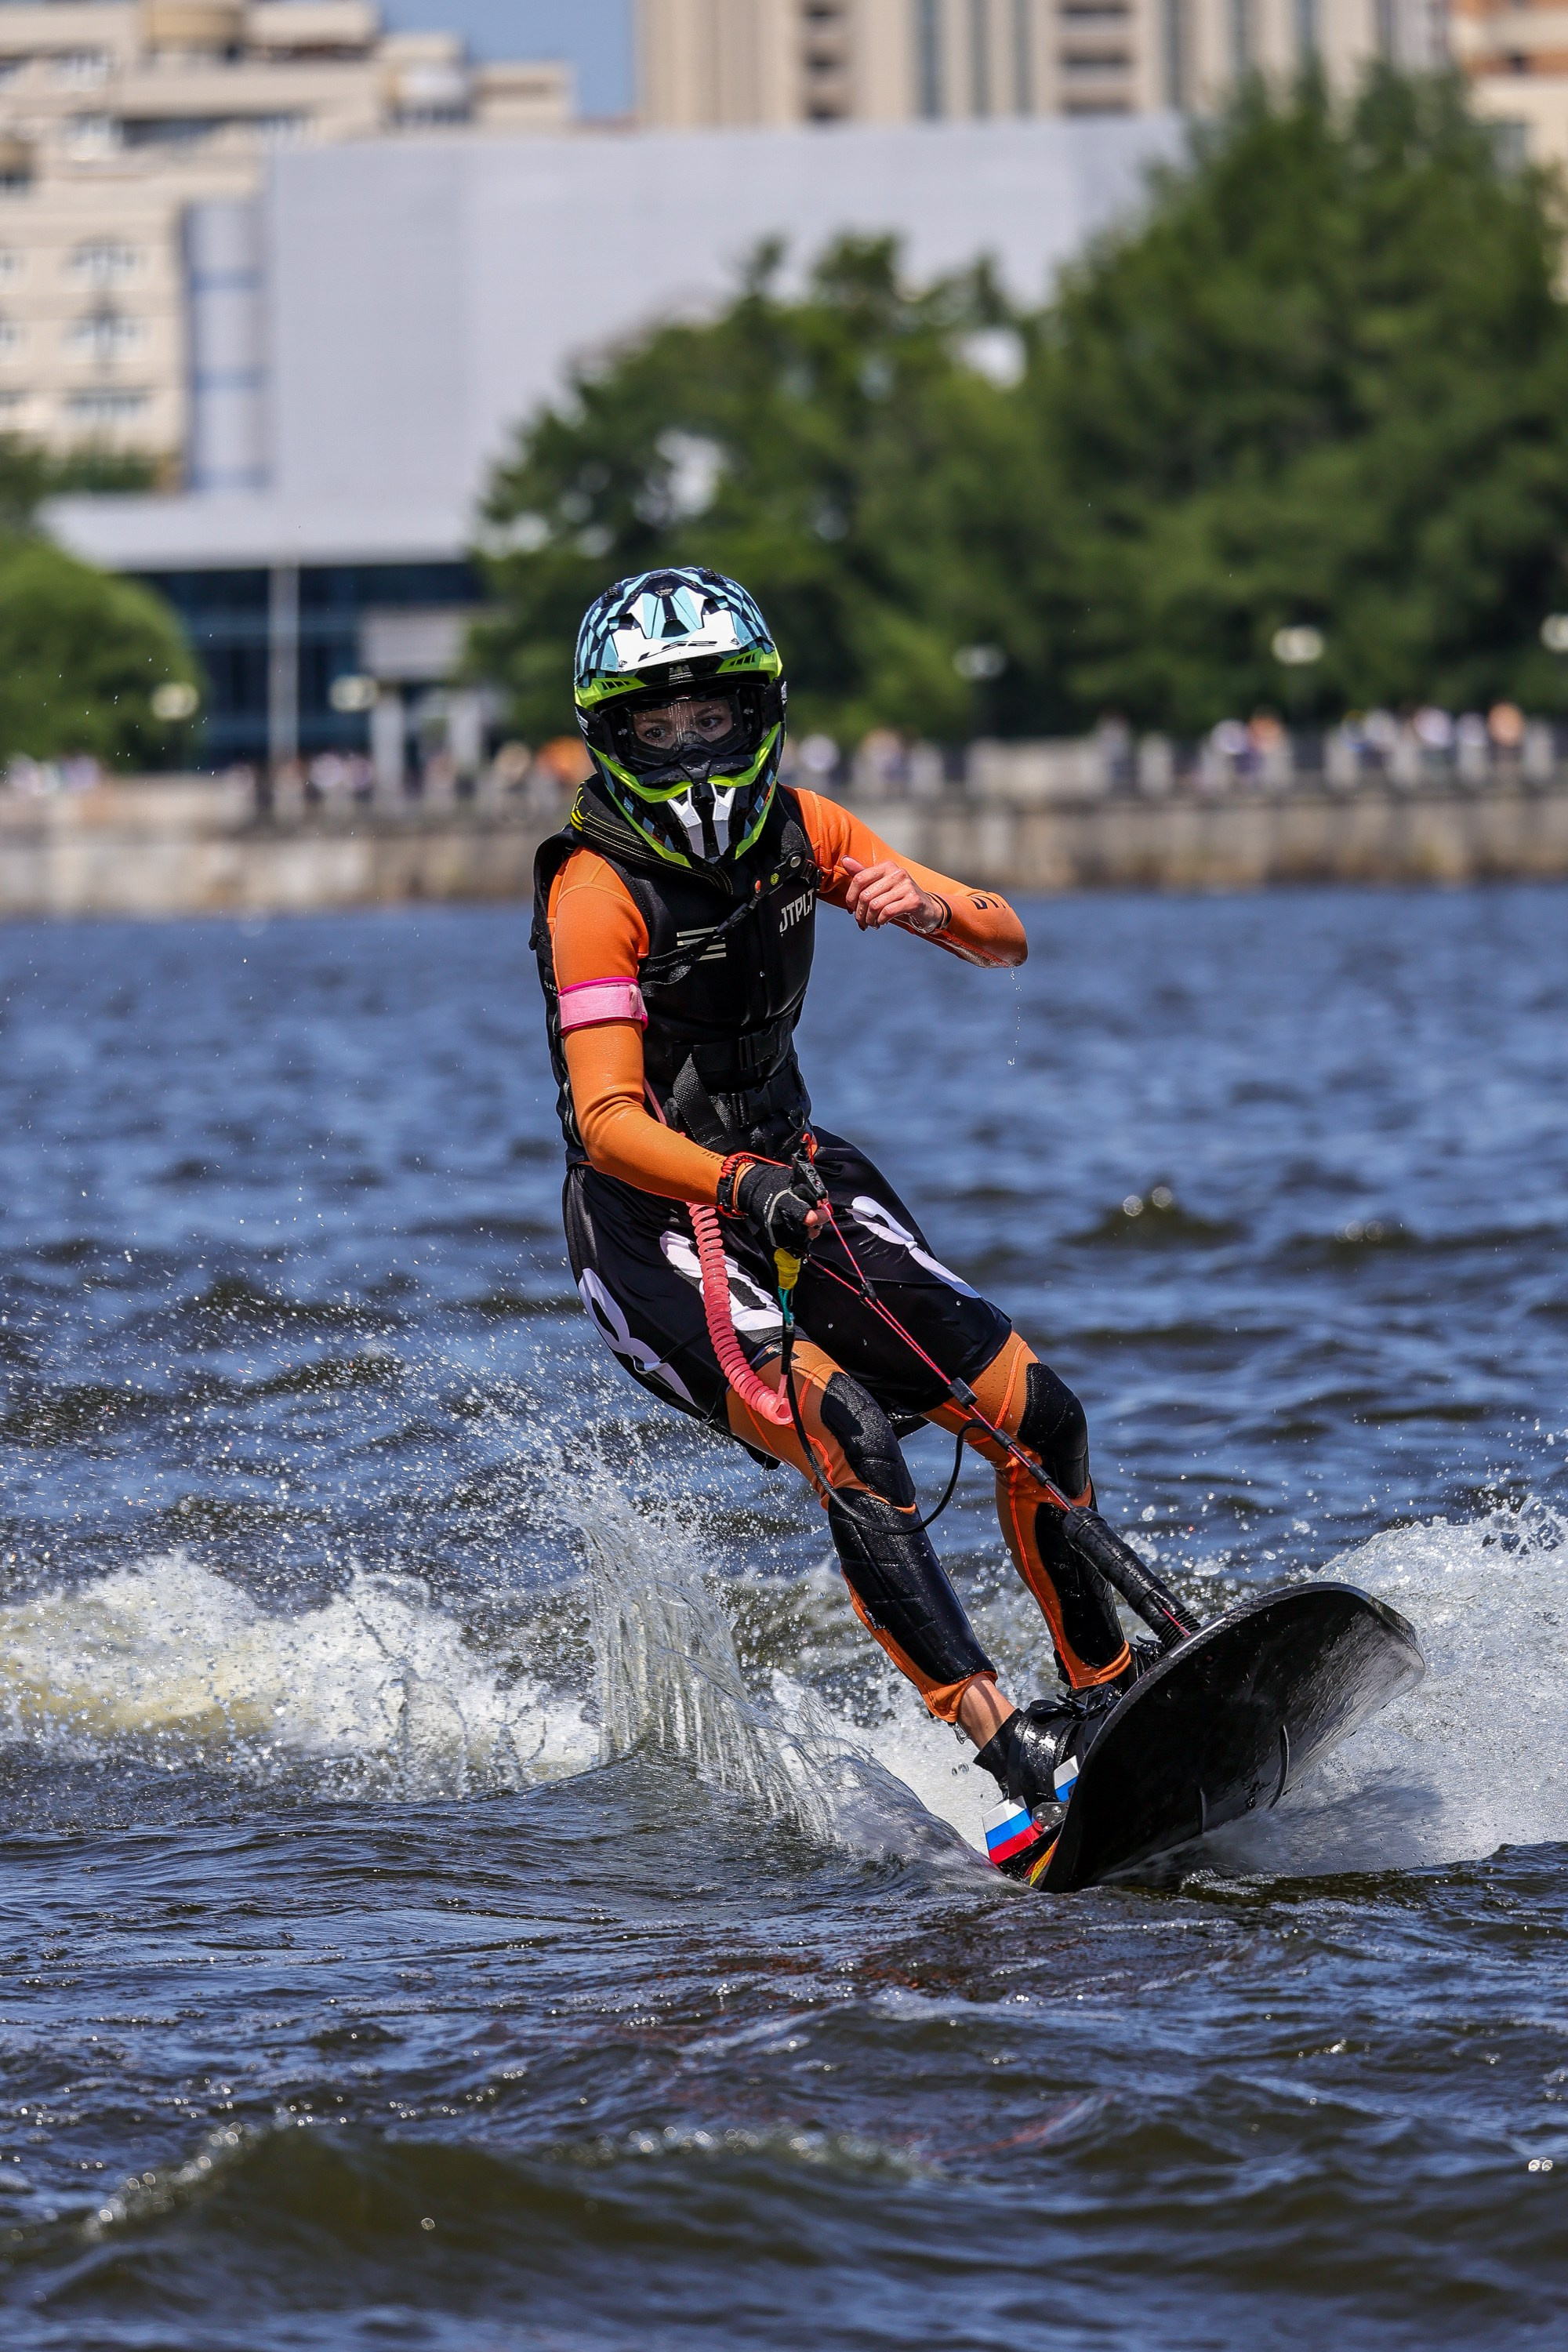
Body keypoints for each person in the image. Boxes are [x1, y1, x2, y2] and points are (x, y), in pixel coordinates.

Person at [533, 567, 1149, 1883]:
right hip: (660, 1228)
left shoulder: (808, 826)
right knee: (852, 1436)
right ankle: (1014, 1755)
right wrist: (735, 1184)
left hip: (798, 1178)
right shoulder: (594, 888)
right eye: (659, 725)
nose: (692, 746)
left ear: (760, 714)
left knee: (1038, 1416)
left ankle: (1108, 1692)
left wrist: (926, 907)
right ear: (612, 736)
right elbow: (605, 1120)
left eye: (715, 717)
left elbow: (1008, 936)